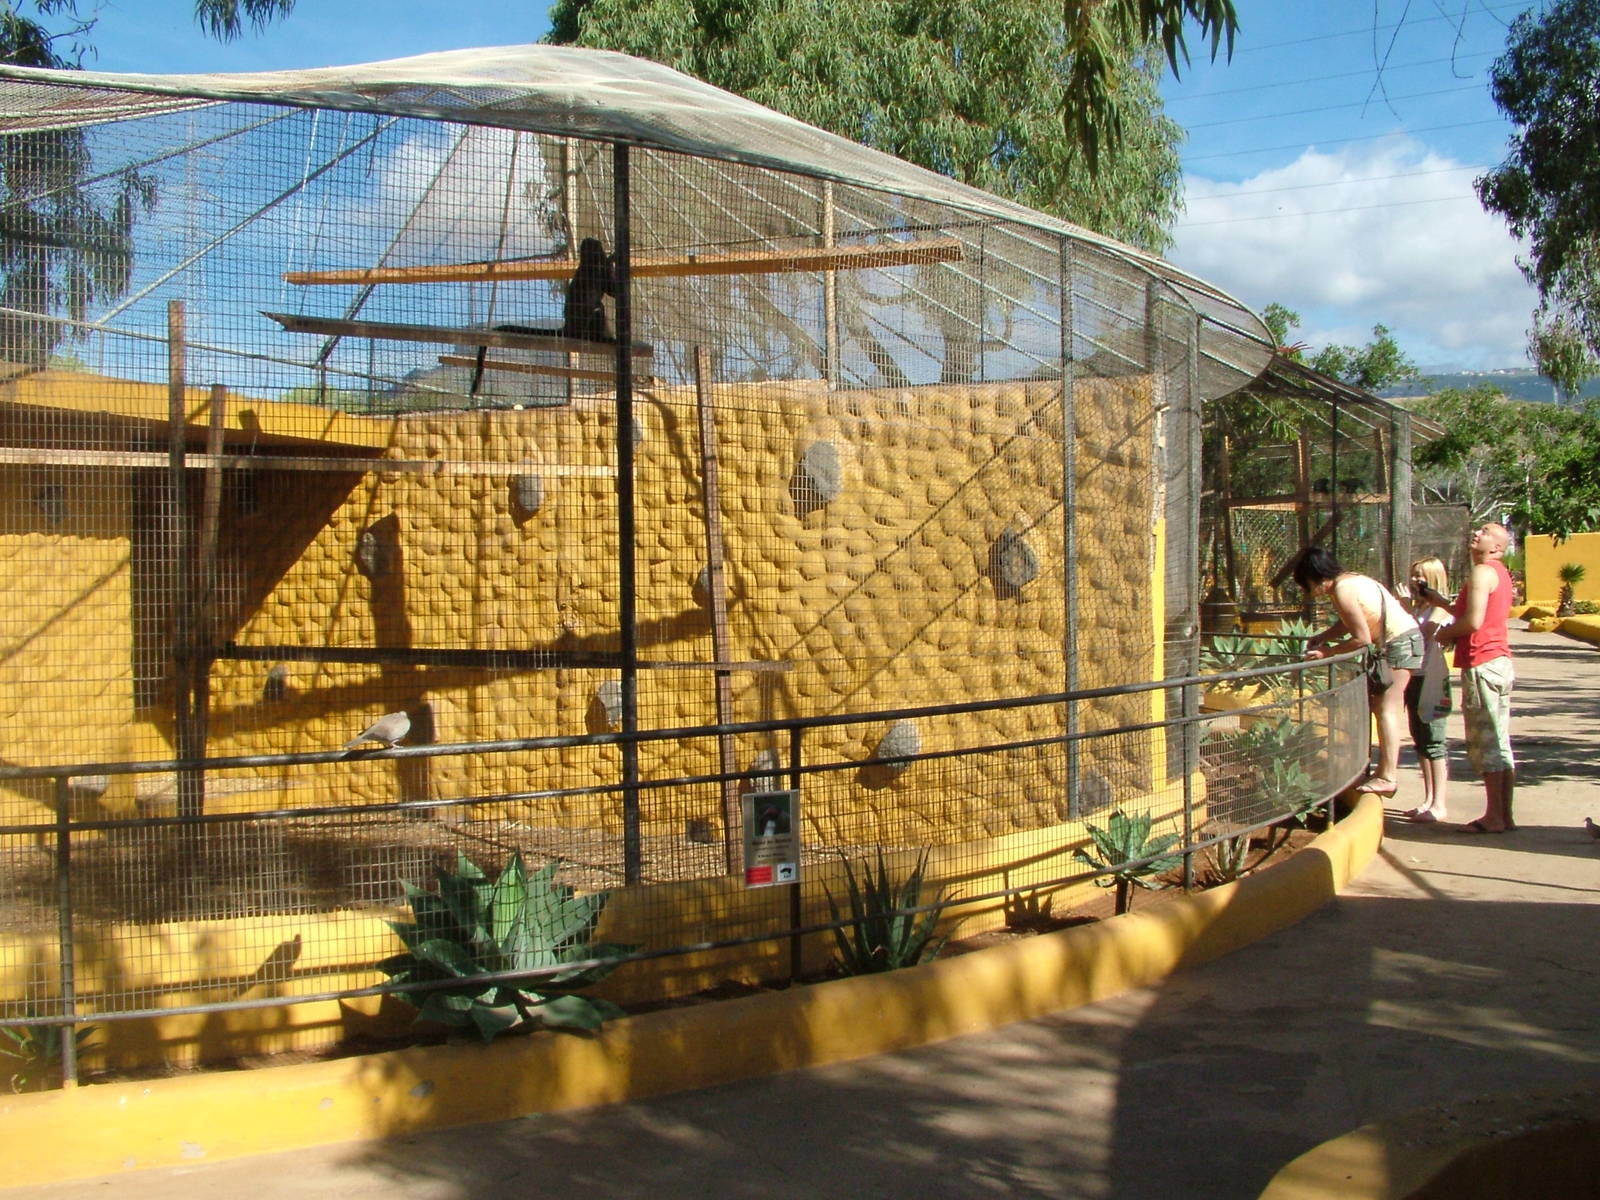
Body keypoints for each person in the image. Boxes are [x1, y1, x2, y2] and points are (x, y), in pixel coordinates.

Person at [1292, 546, 1423, 798]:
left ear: (1316, 577)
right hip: (1401, 640)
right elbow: (1350, 622)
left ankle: (1388, 777)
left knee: (1387, 709)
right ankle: (1381, 771)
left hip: (1400, 643)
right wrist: (1324, 636)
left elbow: (1361, 638)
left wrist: (1327, 653)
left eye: (1307, 585)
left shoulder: (1343, 590)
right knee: (1380, 707)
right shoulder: (1351, 580)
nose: (1308, 592)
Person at [1434, 523, 1516, 833]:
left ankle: (1493, 816)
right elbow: (1470, 611)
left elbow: (1472, 621)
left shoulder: (1482, 571)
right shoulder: (1499, 573)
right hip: (1498, 662)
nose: (1477, 534)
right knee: (1500, 741)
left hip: (1483, 661)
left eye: (1485, 532)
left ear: (1496, 547)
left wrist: (1441, 634)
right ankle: (1504, 815)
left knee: (1487, 742)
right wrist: (1439, 601)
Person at [1401, 555, 1454, 822]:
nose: (1415, 580)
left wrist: (1404, 609)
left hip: (1431, 677)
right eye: (1413, 575)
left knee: (1434, 740)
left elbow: (1424, 634)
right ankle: (1428, 799)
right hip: (1415, 675)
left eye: (1420, 575)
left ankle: (1439, 803)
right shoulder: (1420, 608)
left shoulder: (1440, 608)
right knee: (1420, 739)